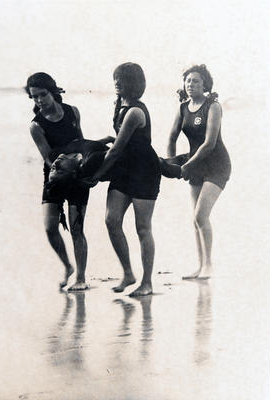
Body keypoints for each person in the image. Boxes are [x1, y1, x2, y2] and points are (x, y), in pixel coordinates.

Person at [25, 72, 113, 290]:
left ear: (52, 91)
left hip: (79, 175)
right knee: (49, 228)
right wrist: (73, 156)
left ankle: (81, 277)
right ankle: (67, 266)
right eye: (34, 97)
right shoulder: (36, 126)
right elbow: (50, 159)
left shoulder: (72, 112)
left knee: (76, 229)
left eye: (42, 95)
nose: (39, 101)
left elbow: (81, 143)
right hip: (55, 176)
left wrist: (94, 160)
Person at [85, 62, 161, 297]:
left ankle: (147, 282)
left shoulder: (136, 111)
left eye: (123, 79)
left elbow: (117, 150)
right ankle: (128, 273)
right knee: (111, 220)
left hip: (144, 171)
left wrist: (96, 176)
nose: (117, 83)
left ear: (134, 84)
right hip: (124, 170)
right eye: (115, 78)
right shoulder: (120, 104)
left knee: (143, 227)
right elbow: (118, 142)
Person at [167, 64, 231, 280]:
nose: (190, 84)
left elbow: (209, 143)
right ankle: (200, 266)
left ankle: (209, 265)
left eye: (195, 81)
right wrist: (171, 162)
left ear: (205, 85)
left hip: (216, 164)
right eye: (188, 81)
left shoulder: (213, 106)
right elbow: (172, 136)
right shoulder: (183, 107)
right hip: (195, 165)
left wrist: (186, 166)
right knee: (195, 220)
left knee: (201, 215)